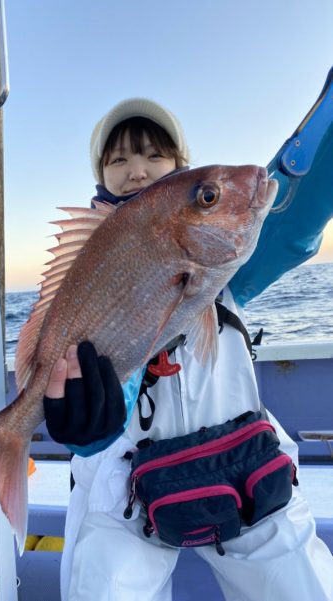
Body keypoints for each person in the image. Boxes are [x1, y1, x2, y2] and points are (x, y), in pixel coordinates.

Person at [42, 98, 333, 600]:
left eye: (155, 156)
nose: (137, 172)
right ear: (101, 179)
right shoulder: (95, 268)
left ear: (182, 166)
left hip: (247, 466)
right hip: (125, 484)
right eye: (118, 161)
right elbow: (106, 381)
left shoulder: (230, 260)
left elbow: (294, 216)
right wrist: (82, 429)